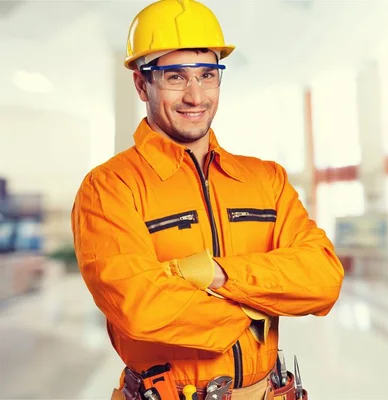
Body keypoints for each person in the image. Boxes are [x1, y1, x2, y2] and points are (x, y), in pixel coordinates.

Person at [70, 0, 345, 399]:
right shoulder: (109, 188)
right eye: (175, 77)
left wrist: (216, 274)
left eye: (207, 74)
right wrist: (258, 308)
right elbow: (138, 306)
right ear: (141, 83)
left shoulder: (265, 179)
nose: (195, 96)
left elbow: (323, 278)